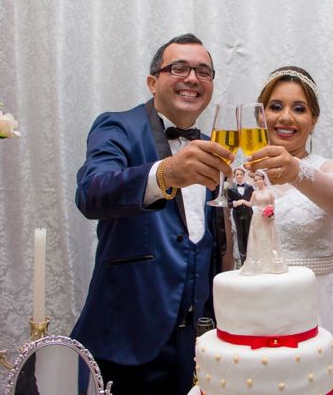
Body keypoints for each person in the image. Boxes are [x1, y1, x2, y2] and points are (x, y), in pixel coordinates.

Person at [71, 33, 234, 395]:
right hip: (127, 339)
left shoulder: (211, 144)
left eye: (203, 71)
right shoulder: (117, 127)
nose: (192, 78)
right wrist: (166, 174)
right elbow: (91, 193)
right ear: (152, 81)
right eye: (179, 68)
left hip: (198, 343)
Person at [244, 66, 333, 395]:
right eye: (275, 106)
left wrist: (295, 171)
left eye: (299, 108)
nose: (286, 117)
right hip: (256, 306)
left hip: (318, 308)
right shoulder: (243, 175)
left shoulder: (331, 168)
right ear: (261, 116)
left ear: (314, 120)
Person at [239, 169, 287, 275]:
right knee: (259, 238)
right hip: (258, 217)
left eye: (259, 179)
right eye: (256, 180)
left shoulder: (270, 192)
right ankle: (259, 264)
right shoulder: (254, 193)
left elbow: (273, 203)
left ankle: (271, 264)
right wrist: (242, 201)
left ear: (263, 180)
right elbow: (251, 204)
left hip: (267, 217)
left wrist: (270, 209)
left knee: (269, 237)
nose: (258, 181)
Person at [226, 167, 254, 264]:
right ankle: (243, 260)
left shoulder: (250, 188)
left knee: (250, 234)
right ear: (234, 176)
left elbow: (253, 201)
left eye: (241, 174)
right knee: (240, 235)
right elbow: (228, 204)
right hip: (237, 214)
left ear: (243, 175)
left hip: (248, 213)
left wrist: (244, 202)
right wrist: (235, 203)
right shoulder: (230, 188)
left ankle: (251, 258)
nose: (239, 176)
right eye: (237, 174)